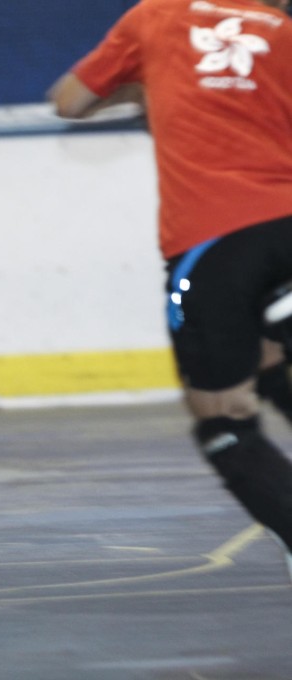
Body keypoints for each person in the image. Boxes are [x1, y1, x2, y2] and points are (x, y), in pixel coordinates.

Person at [49, 0, 292, 574]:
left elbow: (70, 100)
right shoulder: (282, 31)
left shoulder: (155, 16)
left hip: (213, 245)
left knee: (224, 424)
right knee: (267, 362)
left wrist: (145, 92)